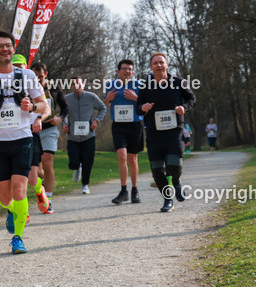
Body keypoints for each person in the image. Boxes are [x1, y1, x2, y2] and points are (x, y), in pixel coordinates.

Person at [0, 32, 49, 254]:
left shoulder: (27, 76)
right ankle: (14, 211)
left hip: (22, 140)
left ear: (14, 49)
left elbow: (43, 105)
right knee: (5, 198)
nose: (4, 49)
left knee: (19, 190)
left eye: (8, 45)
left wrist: (32, 108)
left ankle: (18, 238)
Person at [138, 53, 196, 211]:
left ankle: (176, 182)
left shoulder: (178, 82)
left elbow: (191, 98)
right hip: (154, 133)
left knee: (173, 164)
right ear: (151, 67)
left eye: (161, 62)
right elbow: (138, 106)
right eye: (155, 63)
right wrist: (143, 108)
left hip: (174, 131)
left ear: (167, 65)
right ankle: (167, 200)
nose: (158, 65)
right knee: (157, 170)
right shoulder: (145, 85)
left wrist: (183, 108)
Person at [11, 55, 49, 215]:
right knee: (15, 176)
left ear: (26, 67)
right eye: (15, 66)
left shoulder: (33, 84)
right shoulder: (5, 84)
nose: (18, 69)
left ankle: (40, 190)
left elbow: (46, 107)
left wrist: (39, 118)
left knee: (33, 179)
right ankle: (21, 212)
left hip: (30, 134)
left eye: (21, 66)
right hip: (11, 134)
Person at [104, 59, 144, 205]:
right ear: (118, 71)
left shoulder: (139, 85)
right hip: (119, 126)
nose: (127, 71)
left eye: (130, 69)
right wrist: (108, 99)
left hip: (134, 125)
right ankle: (123, 190)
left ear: (132, 72)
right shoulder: (111, 85)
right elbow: (105, 104)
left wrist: (135, 98)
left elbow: (145, 104)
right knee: (122, 156)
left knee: (133, 159)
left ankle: (134, 190)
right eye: (124, 69)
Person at [30, 61, 67, 209]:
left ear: (45, 75)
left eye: (40, 76)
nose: (38, 79)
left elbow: (65, 107)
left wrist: (60, 118)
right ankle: (42, 190)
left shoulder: (53, 87)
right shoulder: (27, 87)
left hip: (49, 128)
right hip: (33, 130)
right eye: (35, 76)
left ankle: (49, 200)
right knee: (37, 170)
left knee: (48, 160)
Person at [63, 77, 106, 194]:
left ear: (83, 84)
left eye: (78, 83)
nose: (76, 86)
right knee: (73, 163)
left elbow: (103, 108)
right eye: (73, 84)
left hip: (88, 136)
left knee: (88, 161)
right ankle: (77, 168)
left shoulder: (91, 97)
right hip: (73, 136)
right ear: (71, 86)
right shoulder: (66, 99)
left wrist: (96, 120)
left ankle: (85, 185)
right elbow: (64, 113)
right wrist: (65, 123)